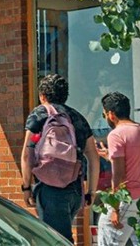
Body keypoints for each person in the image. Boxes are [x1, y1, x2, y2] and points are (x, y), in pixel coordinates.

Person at [21, 74, 100, 243]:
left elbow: (27, 154)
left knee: (58, 241)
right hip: (75, 189)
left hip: (51, 190)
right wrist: (91, 192)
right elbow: (93, 156)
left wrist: (26, 187)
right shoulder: (77, 117)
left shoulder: (40, 114)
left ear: (42, 96)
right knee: (59, 238)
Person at [96, 91, 140, 246]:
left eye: (104, 115)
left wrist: (115, 208)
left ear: (111, 114)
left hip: (127, 197)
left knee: (107, 239)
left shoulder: (116, 134)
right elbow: (136, 162)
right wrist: (111, 157)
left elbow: (119, 175)